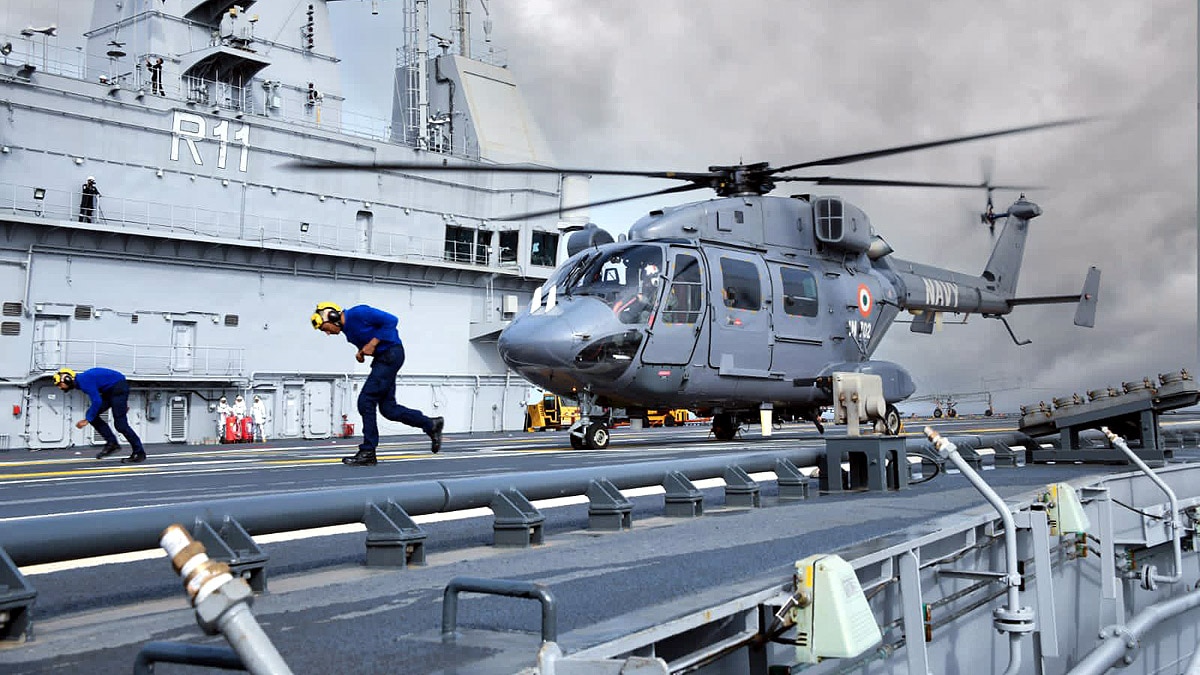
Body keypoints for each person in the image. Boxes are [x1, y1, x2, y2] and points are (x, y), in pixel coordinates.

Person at [312, 301, 443, 465]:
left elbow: (392, 320)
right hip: (384, 358)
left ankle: (368, 451)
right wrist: (361, 352)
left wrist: (372, 344)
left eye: (325, 329)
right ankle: (431, 424)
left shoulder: (358, 313)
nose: (327, 333)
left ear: (332, 316)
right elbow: (371, 343)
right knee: (389, 409)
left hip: (391, 354)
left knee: (366, 401)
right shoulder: (349, 333)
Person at [54, 367, 146, 463]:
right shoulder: (81, 381)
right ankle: (112, 443)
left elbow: (97, 401)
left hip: (117, 388)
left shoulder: (84, 382)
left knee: (121, 425)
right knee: (91, 415)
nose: (60, 388)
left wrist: (86, 420)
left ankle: (139, 453)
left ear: (67, 380)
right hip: (111, 390)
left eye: (60, 385)